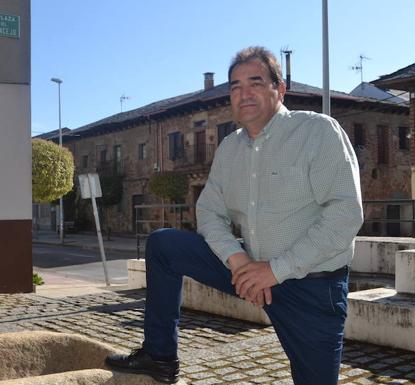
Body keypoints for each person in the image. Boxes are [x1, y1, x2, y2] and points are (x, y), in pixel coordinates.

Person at [106, 46, 363, 385]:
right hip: (248, 268)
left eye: (255, 82)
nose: (244, 93)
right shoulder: (229, 149)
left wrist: (273, 271)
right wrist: (239, 262)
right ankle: (160, 356)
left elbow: (346, 214)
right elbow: (209, 210)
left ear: (279, 89)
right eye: (235, 86)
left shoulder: (317, 132)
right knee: (163, 245)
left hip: (311, 287)